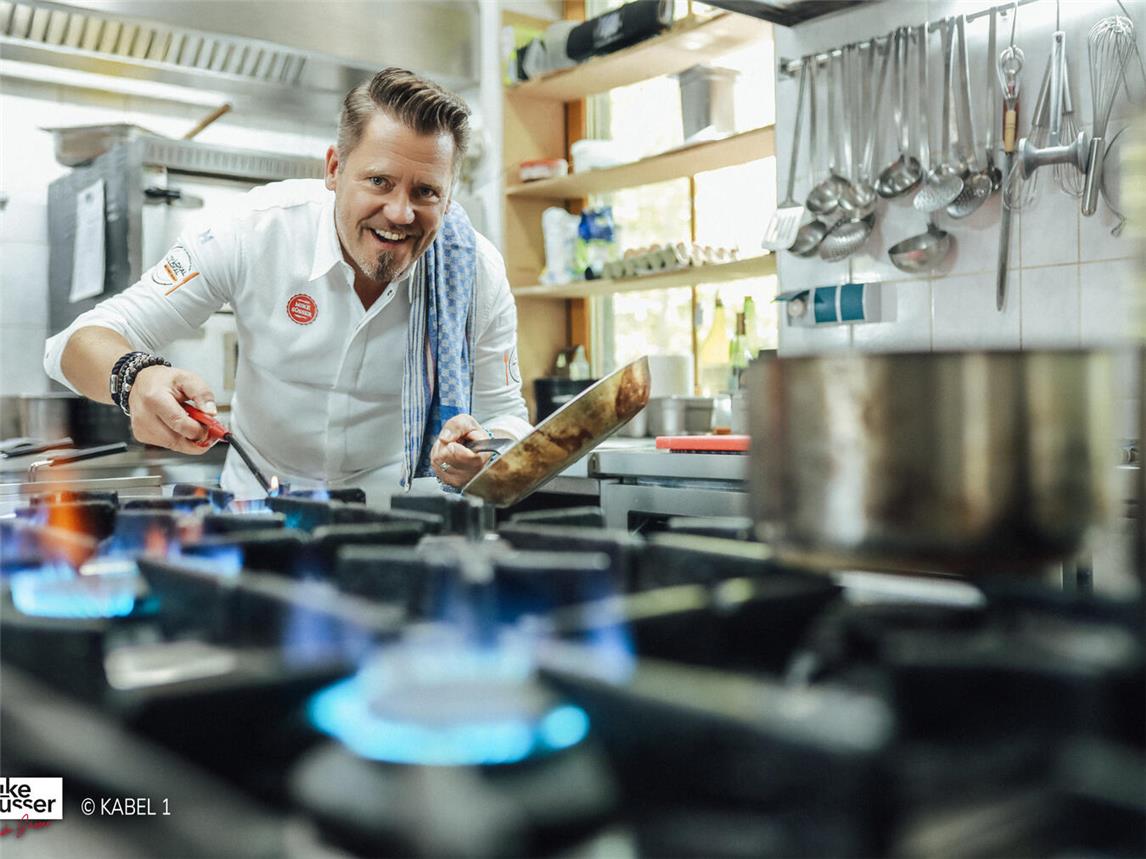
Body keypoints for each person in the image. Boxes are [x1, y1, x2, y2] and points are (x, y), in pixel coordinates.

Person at [43, 67, 531, 503]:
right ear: (335, 169)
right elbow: (74, 343)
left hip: (401, 520)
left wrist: (482, 454)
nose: (401, 213)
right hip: (257, 512)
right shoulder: (253, 231)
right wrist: (136, 379)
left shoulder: (474, 272)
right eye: (379, 182)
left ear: (448, 198)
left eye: (426, 192)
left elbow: (508, 417)